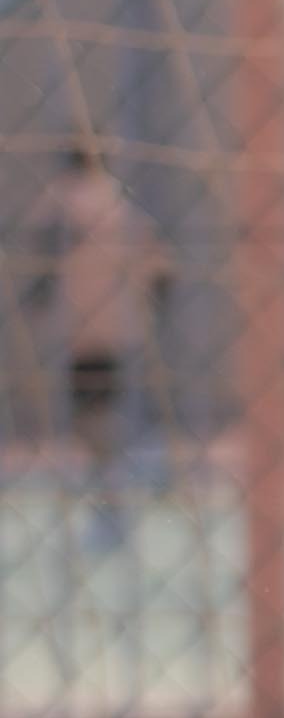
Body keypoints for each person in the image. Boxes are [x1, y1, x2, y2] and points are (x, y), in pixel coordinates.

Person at [26, 143, 169, 531]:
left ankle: (106, 475)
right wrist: (153, 307)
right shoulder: (121, 200)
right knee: (112, 404)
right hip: (122, 325)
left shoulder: (58, 200)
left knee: (87, 411)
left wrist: (37, 302)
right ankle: (116, 475)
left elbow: (40, 265)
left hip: (78, 328)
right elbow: (159, 265)